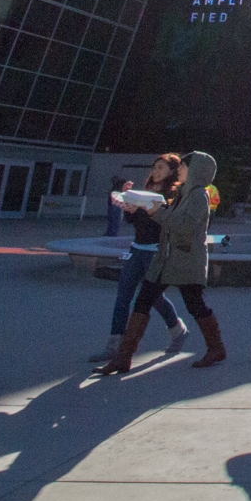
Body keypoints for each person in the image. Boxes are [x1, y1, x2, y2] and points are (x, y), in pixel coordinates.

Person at [94, 152, 225, 375]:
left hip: (186, 261)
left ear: (196, 171)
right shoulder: (183, 193)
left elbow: (183, 226)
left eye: (184, 166)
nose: (180, 169)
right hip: (167, 258)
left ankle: (216, 348)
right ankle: (123, 358)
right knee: (143, 300)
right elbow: (169, 220)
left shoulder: (198, 196)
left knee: (195, 305)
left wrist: (156, 212)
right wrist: (147, 208)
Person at [88, 154, 189, 363]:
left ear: (172, 171)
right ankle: (114, 346)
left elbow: (169, 224)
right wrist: (128, 202)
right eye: (155, 167)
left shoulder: (173, 195)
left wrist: (152, 209)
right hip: (137, 249)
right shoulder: (144, 192)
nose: (156, 171)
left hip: (156, 251)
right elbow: (131, 219)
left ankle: (178, 331)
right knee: (123, 296)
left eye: (161, 167)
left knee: (153, 298)